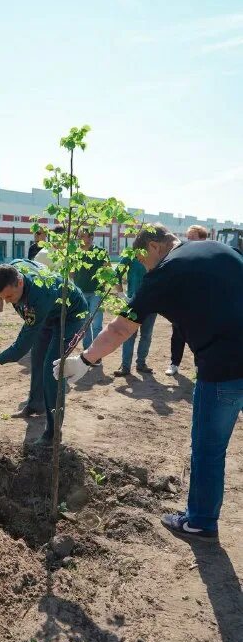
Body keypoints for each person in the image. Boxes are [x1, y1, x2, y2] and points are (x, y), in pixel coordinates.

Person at [55, 225, 243, 541]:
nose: (145, 268)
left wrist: (85, 360)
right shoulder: (221, 249)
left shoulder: (165, 272)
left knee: (209, 449)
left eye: (143, 261)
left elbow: (120, 328)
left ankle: (200, 522)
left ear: (154, 246)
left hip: (224, 369)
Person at [0, 260, 87, 447]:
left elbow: (21, 346)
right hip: (50, 315)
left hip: (72, 316)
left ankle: (53, 432)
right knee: (37, 358)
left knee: (53, 370)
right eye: (3, 297)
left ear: (20, 282)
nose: (8, 301)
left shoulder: (39, 297)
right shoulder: (14, 268)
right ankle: (35, 404)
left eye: (9, 296)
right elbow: (10, 268)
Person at [12, 226, 65, 418]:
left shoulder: (69, 256)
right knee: (38, 359)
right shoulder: (44, 255)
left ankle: (50, 408)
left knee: (54, 362)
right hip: (44, 314)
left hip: (62, 314)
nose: (62, 242)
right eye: (59, 238)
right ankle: (35, 404)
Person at [165, 224, 209, 376]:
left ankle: (199, 366)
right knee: (177, 335)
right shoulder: (182, 254)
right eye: (187, 237)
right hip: (181, 304)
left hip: (201, 305)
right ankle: (174, 364)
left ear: (203, 239)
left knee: (200, 336)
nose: (187, 241)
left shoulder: (209, 258)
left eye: (192, 238)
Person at [113, 250, 156, 376]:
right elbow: (117, 274)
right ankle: (125, 366)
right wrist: (122, 294)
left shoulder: (156, 254)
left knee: (146, 334)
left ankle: (141, 363)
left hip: (151, 302)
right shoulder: (130, 254)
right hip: (133, 302)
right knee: (128, 335)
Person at [72, 228, 110, 353]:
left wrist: (102, 285)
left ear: (91, 238)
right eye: (80, 235)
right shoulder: (75, 253)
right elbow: (71, 273)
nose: (81, 238)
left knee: (96, 323)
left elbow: (108, 271)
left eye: (84, 235)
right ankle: (88, 351)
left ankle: (97, 351)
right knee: (84, 323)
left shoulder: (101, 252)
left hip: (96, 293)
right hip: (80, 293)